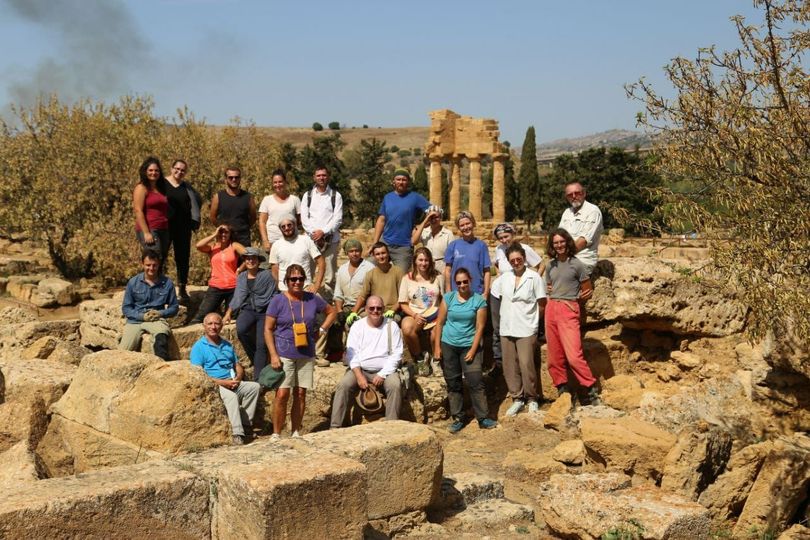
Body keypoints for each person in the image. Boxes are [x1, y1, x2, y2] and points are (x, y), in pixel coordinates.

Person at [265, 264, 337, 439]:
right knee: (282, 393)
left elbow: (332, 312)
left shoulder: (312, 298)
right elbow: (268, 329)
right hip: (284, 353)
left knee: (300, 393)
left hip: (306, 353)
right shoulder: (278, 300)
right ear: (286, 281)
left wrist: (321, 330)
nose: (297, 282)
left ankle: (295, 431)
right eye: (293, 279)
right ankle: (276, 433)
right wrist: (273, 355)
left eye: (300, 279)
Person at [433, 268, 497, 433]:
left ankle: (483, 417)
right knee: (453, 382)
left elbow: (480, 327)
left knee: (476, 381)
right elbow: (439, 323)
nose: (462, 285)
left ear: (471, 281)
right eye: (459, 282)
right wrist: (437, 347)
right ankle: (458, 417)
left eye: (465, 281)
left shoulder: (479, 301)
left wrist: (473, 349)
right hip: (449, 344)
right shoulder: (448, 298)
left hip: (469, 344)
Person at [545, 228, 601, 405]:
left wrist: (576, 300)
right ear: (552, 245)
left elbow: (587, 289)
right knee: (554, 357)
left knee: (574, 356)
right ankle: (564, 393)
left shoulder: (576, 264)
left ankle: (590, 392)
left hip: (568, 308)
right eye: (556, 243)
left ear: (567, 242)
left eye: (562, 242)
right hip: (551, 308)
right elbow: (550, 286)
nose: (559, 245)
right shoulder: (550, 265)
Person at [330, 295, 403, 428]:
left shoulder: (392, 326)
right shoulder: (357, 326)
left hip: (384, 369)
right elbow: (352, 354)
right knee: (343, 385)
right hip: (361, 368)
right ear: (366, 309)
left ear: (383, 309)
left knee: (395, 385)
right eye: (372, 308)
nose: (375, 311)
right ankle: (335, 427)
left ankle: (393, 426)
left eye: (379, 308)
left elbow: (396, 354)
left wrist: (382, 374)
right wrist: (358, 376)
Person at [493, 243, 547, 416]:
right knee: (510, 365)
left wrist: (534, 325)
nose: (516, 262)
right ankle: (517, 398)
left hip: (526, 327)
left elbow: (542, 304)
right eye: (512, 260)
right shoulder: (503, 278)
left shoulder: (534, 277)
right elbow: (496, 298)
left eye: (519, 259)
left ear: (524, 258)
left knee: (526, 364)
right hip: (507, 326)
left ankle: (532, 398)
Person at [190, 313, 261, 445]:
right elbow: (198, 375)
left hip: (232, 381)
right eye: (210, 324)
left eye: (217, 323)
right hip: (214, 384)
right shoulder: (198, 348)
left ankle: (246, 425)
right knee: (231, 397)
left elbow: (237, 365)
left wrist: (238, 378)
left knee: (254, 387)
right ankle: (237, 433)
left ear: (221, 326)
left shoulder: (227, 345)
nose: (213, 327)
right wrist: (223, 383)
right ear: (204, 326)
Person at [223, 247, 277, 381]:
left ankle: (258, 378)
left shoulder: (268, 275)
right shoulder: (241, 277)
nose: (250, 261)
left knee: (261, 344)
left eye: (253, 258)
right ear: (244, 261)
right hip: (248, 309)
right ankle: (258, 359)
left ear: (258, 261)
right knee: (241, 330)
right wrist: (229, 312)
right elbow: (238, 296)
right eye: (247, 258)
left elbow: (274, 294)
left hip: (265, 311)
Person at [119, 250, 179, 361]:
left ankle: (162, 368)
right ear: (142, 264)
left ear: (159, 265)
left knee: (161, 340)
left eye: (154, 265)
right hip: (135, 321)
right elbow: (126, 308)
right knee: (122, 352)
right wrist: (142, 317)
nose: (151, 268)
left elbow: (174, 307)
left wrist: (160, 313)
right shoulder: (133, 282)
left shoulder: (167, 283)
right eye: (148, 265)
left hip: (156, 319)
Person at [370, 168, 431, 271]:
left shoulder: (415, 197)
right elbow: (381, 220)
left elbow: (433, 212)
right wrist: (375, 243)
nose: (401, 182)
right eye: (398, 179)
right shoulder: (387, 197)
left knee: (400, 277)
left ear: (408, 181)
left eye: (404, 179)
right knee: (369, 268)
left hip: (404, 246)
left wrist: (419, 227)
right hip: (385, 243)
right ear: (393, 181)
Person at [190, 224, 246, 324]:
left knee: (233, 317)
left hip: (233, 286)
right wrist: (214, 234)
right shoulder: (213, 247)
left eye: (226, 232)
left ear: (230, 234)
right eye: (221, 232)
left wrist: (239, 270)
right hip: (216, 286)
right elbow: (198, 245)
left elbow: (249, 256)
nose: (223, 234)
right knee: (201, 316)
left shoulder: (234, 246)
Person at [300, 166, 343, 297]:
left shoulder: (336, 196)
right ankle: (307, 298)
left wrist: (323, 232)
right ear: (314, 177)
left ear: (328, 176)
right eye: (318, 175)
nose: (321, 178)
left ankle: (329, 300)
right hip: (311, 241)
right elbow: (304, 218)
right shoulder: (307, 196)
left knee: (330, 274)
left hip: (331, 241)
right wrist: (315, 234)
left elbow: (338, 219)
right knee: (308, 272)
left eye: (324, 175)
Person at [164, 159, 202, 300]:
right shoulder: (162, 184)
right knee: (160, 256)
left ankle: (182, 288)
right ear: (171, 168)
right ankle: (158, 287)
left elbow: (197, 200)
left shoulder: (187, 187)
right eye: (177, 168)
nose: (179, 172)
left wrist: (194, 220)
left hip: (183, 227)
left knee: (182, 258)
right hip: (165, 227)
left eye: (182, 170)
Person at [398, 247, 444, 364]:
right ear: (415, 261)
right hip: (415, 313)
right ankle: (420, 357)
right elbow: (403, 303)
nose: (424, 263)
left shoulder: (438, 277)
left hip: (434, 314)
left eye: (426, 260)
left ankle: (436, 359)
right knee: (407, 329)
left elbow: (444, 298)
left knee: (436, 333)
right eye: (421, 260)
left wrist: (441, 316)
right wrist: (415, 315)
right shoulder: (407, 279)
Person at [333, 239, 375, 348]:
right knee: (330, 320)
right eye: (351, 251)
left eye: (357, 251)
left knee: (353, 323)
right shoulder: (342, 269)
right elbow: (338, 293)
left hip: (363, 307)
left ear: (361, 251)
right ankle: (332, 351)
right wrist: (339, 310)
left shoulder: (369, 268)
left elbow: (372, 292)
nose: (354, 254)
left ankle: (353, 353)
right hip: (346, 306)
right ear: (347, 253)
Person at [268, 218, 325, 295]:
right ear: (280, 229)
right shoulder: (276, 245)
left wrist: (317, 285)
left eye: (289, 225)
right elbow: (274, 268)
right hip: (284, 289)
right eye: (283, 226)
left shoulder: (306, 240)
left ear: (294, 225)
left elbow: (321, 262)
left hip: (305, 287)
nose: (287, 228)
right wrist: (278, 286)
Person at [558, 182, 603, 276]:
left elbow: (582, 242)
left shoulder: (593, 211)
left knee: (563, 278)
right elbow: (559, 237)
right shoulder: (567, 212)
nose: (574, 196)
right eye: (570, 195)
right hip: (565, 257)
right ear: (567, 197)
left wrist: (564, 256)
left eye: (577, 193)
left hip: (582, 259)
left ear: (584, 193)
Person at [351, 242, 404, 320]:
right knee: (353, 322)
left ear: (388, 254)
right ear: (374, 256)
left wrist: (393, 310)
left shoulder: (398, 272)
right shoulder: (370, 274)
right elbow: (363, 296)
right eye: (378, 254)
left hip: (392, 312)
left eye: (383, 253)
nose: (381, 256)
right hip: (374, 310)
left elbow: (402, 297)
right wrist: (354, 312)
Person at [444, 211, 491, 298]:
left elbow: (487, 271)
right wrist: (448, 290)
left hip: (477, 293)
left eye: (468, 223)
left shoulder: (481, 245)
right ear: (458, 227)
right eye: (462, 225)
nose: (466, 227)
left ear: (473, 223)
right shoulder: (453, 245)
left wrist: (486, 292)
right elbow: (448, 270)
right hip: (456, 293)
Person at [133, 157, 170, 264]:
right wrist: (146, 233)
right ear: (145, 171)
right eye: (150, 170)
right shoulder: (141, 188)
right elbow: (138, 210)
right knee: (153, 259)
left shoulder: (161, 189)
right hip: (150, 229)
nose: (153, 173)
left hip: (163, 229)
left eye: (156, 170)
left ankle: (159, 281)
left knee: (162, 260)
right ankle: (147, 281)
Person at [209, 166, 257, 247]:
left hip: (243, 239)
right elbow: (213, 217)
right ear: (226, 179)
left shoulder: (248, 197)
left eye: (236, 177)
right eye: (230, 177)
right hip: (224, 240)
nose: (234, 180)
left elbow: (253, 217)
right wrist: (223, 229)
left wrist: (243, 227)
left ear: (240, 178)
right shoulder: (218, 197)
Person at [258, 169, 301, 255]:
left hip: (292, 241)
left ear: (285, 182)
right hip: (273, 242)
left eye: (280, 182)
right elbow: (262, 222)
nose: (278, 185)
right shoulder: (267, 200)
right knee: (274, 268)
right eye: (275, 182)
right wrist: (265, 240)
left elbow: (299, 221)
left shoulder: (295, 199)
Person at [411, 205, 455, 273]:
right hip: (426, 268)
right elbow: (413, 241)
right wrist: (425, 220)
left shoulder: (448, 234)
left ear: (440, 218)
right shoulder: (424, 232)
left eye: (436, 217)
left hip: (442, 269)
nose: (434, 220)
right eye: (431, 217)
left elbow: (452, 256)